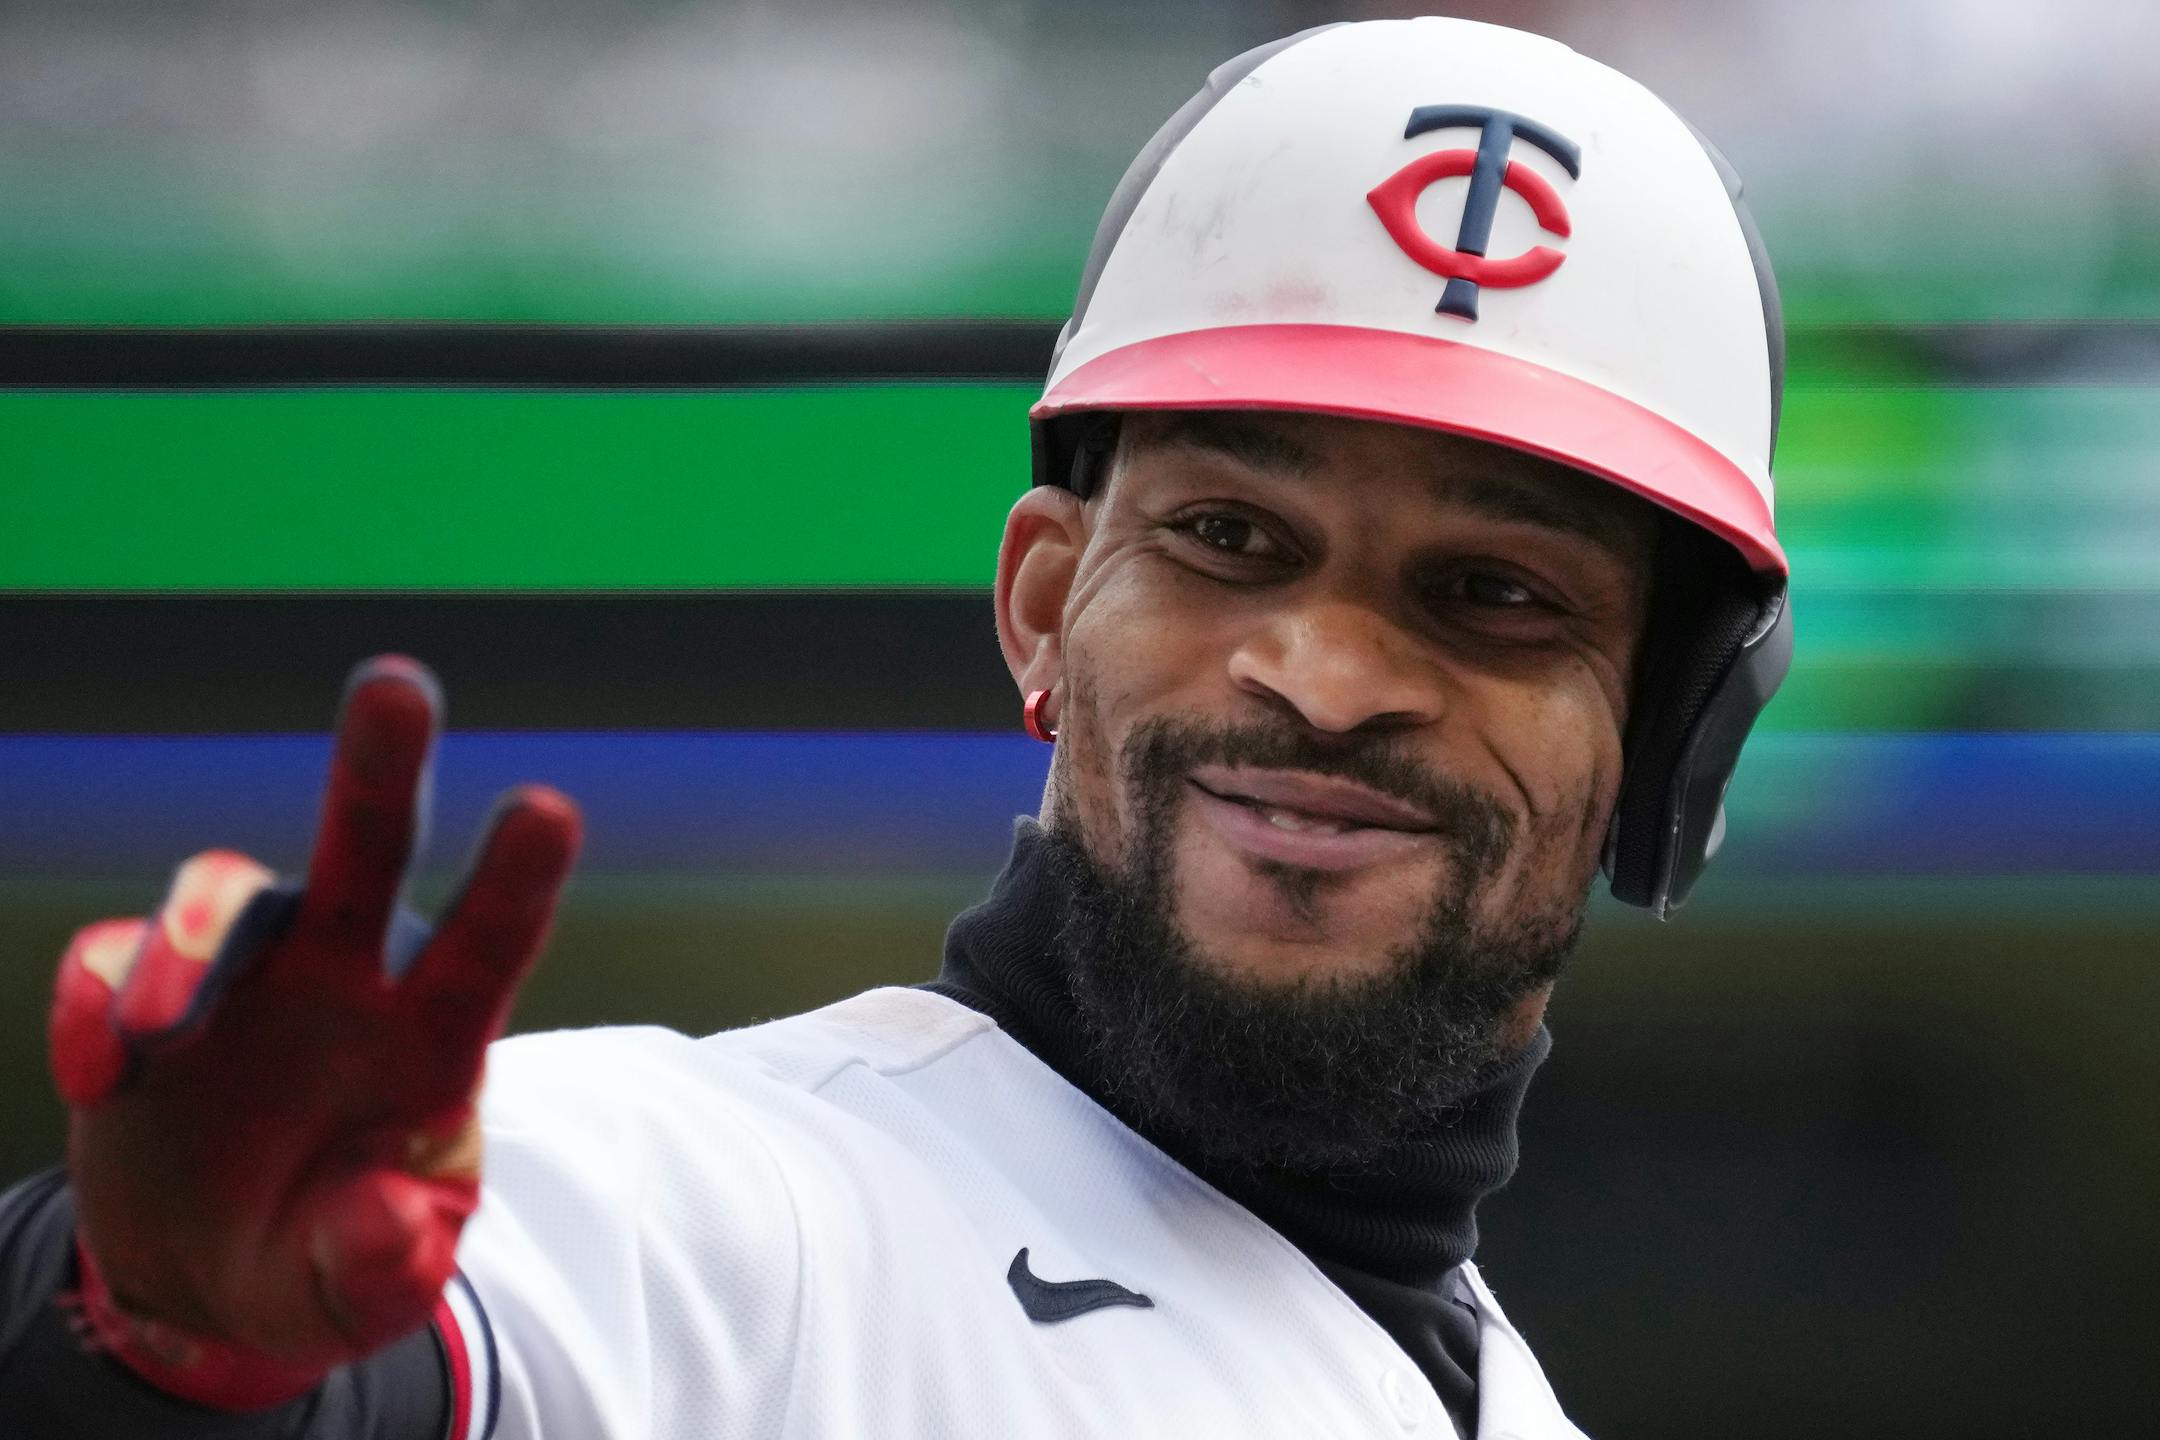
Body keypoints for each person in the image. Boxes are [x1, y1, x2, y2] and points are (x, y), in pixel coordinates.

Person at [0, 16, 1793, 1439]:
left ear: (1666, 732)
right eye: (1230, 538)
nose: (1322, 676)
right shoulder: (735, 1211)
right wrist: (156, 1340)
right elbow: (394, 1353)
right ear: (1040, 604)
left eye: (1492, 596)